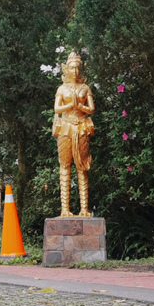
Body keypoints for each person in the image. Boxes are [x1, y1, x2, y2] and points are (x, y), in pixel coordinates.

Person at [52, 51, 96, 217]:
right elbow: (57, 108)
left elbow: (91, 109)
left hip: (82, 126)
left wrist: (80, 106)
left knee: (82, 166)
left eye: (77, 68)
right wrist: (71, 105)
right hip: (66, 127)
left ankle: (84, 208)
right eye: (72, 68)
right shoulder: (62, 88)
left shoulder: (85, 88)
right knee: (64, 165)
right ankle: (65, 208)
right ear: (66, 69)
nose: (75, 71)